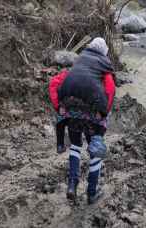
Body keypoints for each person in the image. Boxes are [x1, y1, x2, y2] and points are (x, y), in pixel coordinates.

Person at [52, 37, 116, 204]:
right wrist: (104, 113)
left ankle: (72, 184)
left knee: (75, 146)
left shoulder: (78, 61)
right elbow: (110, 89)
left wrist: (59, 106)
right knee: (96, 151)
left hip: (71, 108)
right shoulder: (103, 66)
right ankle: (91, 193)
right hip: (92, 114)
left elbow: (58, 82)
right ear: (104, 52)